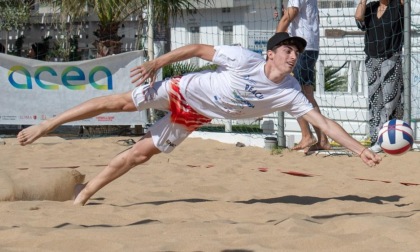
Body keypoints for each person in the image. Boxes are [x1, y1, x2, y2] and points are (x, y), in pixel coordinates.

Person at [17, 32, 381, 206]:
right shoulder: (243, 58)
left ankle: (82, 196)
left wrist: (357, 150)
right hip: (183, 89)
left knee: (140, 154)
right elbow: (196, 49)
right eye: (288, 50)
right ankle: (46, 125)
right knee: (122, 103)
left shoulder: (288, 91)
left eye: (297, 52)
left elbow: (325, 124)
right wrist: (157, 63)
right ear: (270, 53)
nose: (294, 56)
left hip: (195, 115)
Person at [275, 0, 330, 154]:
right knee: (306, 94)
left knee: (295, 93)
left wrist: (275, 43)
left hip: (302, 48)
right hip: (310, 46)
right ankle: (322, 139)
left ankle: (307, 136)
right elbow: (292, 15)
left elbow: (289, 17)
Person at [355, 0, 404, 153]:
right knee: (375, 100)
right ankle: (376, 139)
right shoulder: (370, 8)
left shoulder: (398, 5)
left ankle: (390, 138)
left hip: (391, 57)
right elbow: (358, 17)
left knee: (390, 101)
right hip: (372, 59)